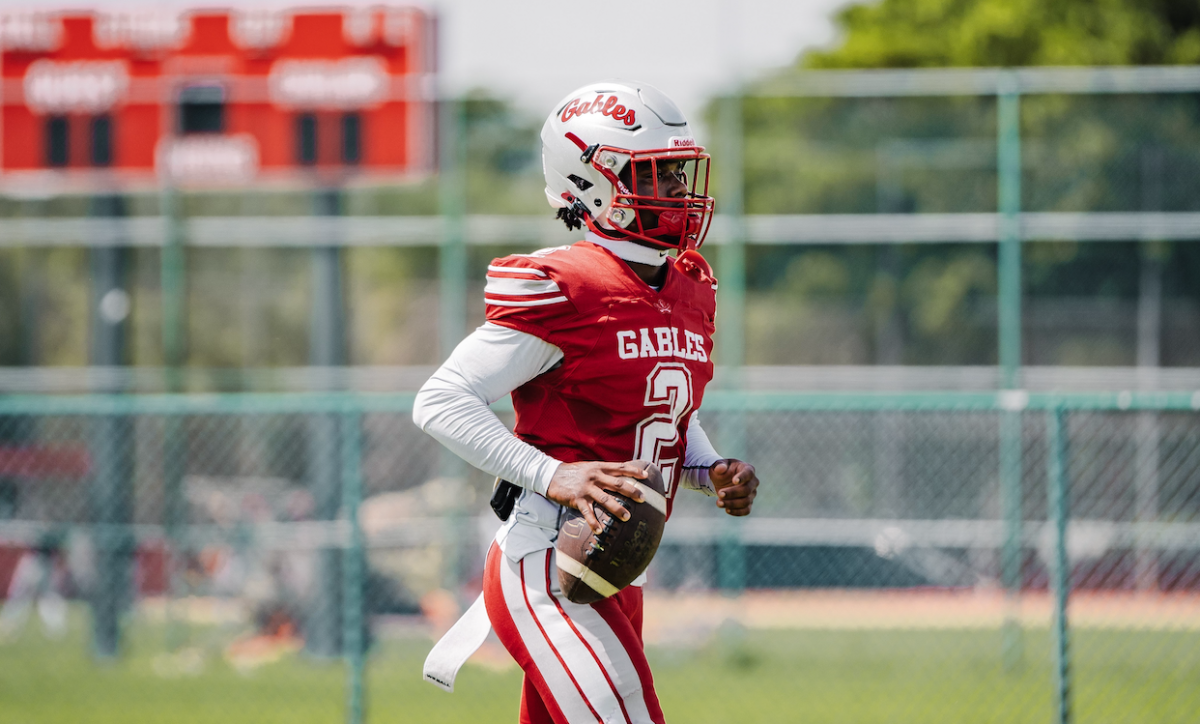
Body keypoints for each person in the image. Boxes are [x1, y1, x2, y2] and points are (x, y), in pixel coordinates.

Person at [415, 80, 760, 724]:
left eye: (680, 176)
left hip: (614, 565)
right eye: (655, 177)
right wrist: (554, 473)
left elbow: (660, 412)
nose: (679, 195)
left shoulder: (686, 287)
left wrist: (707, 468)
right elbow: (441, 400)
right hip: (550, 561)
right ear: (589, 184)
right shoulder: (569, 285)